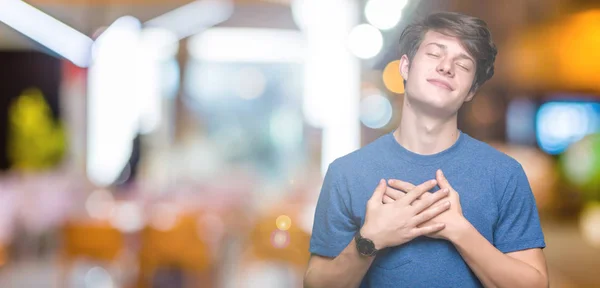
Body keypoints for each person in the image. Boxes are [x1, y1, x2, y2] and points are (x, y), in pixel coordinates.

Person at [303, 11, 548, 288]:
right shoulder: (345, 172)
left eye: (463, 64)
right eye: (434, 54)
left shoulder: (505, 173)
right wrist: (370, 239)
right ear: (405, 67)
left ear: (470, 91)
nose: (446, 67)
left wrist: (459, 230)